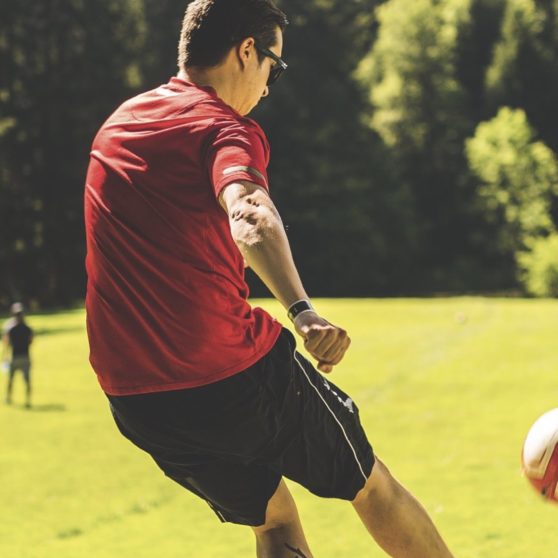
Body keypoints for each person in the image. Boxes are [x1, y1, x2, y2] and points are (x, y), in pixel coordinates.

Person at [84, 1, 456, 556]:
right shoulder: (224, 127)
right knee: (370, 484)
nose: (268, 85)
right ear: (246, 51)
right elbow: (250, 215)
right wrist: (302, 310)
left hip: (137, 399)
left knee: (275, 521)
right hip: (232, 376)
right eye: (274, 67)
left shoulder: (119, 125)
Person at [2, 302, 33, 408]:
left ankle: (8, 398)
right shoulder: (28, 328)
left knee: (10, 379)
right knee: (27, 381)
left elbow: (7, 343)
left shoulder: (11, 329)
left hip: (15, 357)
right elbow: (31, 341)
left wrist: (4, 356)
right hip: (25, 356)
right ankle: (28, 401)